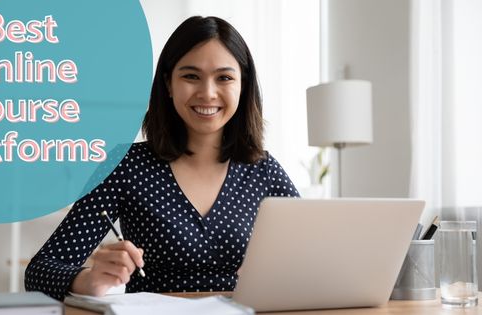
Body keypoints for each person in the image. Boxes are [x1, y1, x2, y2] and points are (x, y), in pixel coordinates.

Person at [25, 16, 299, 301]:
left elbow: (316, 259)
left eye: (224, 78)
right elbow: (39, 271)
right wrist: (89, 280)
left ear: (243, 86)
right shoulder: (126, 164)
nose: (207, 93)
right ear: (168, 84)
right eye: (191, 76)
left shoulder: (264, 170)